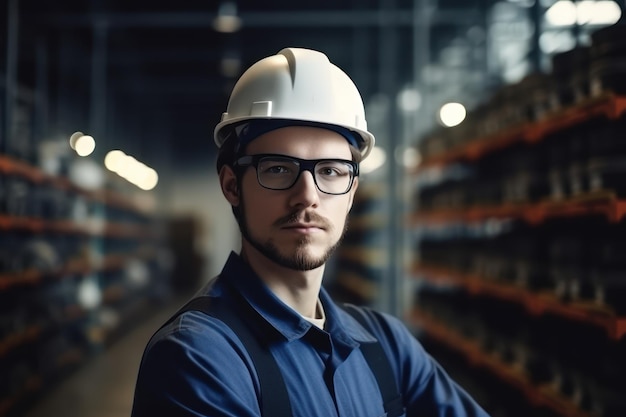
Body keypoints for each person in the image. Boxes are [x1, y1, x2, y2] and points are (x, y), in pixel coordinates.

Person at [131, 47, 490, 417]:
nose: (307, 196)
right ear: (232, 186)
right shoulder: (197, 358)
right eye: (277, 169)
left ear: (351, 193)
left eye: (331, 171)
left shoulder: (387, 345)